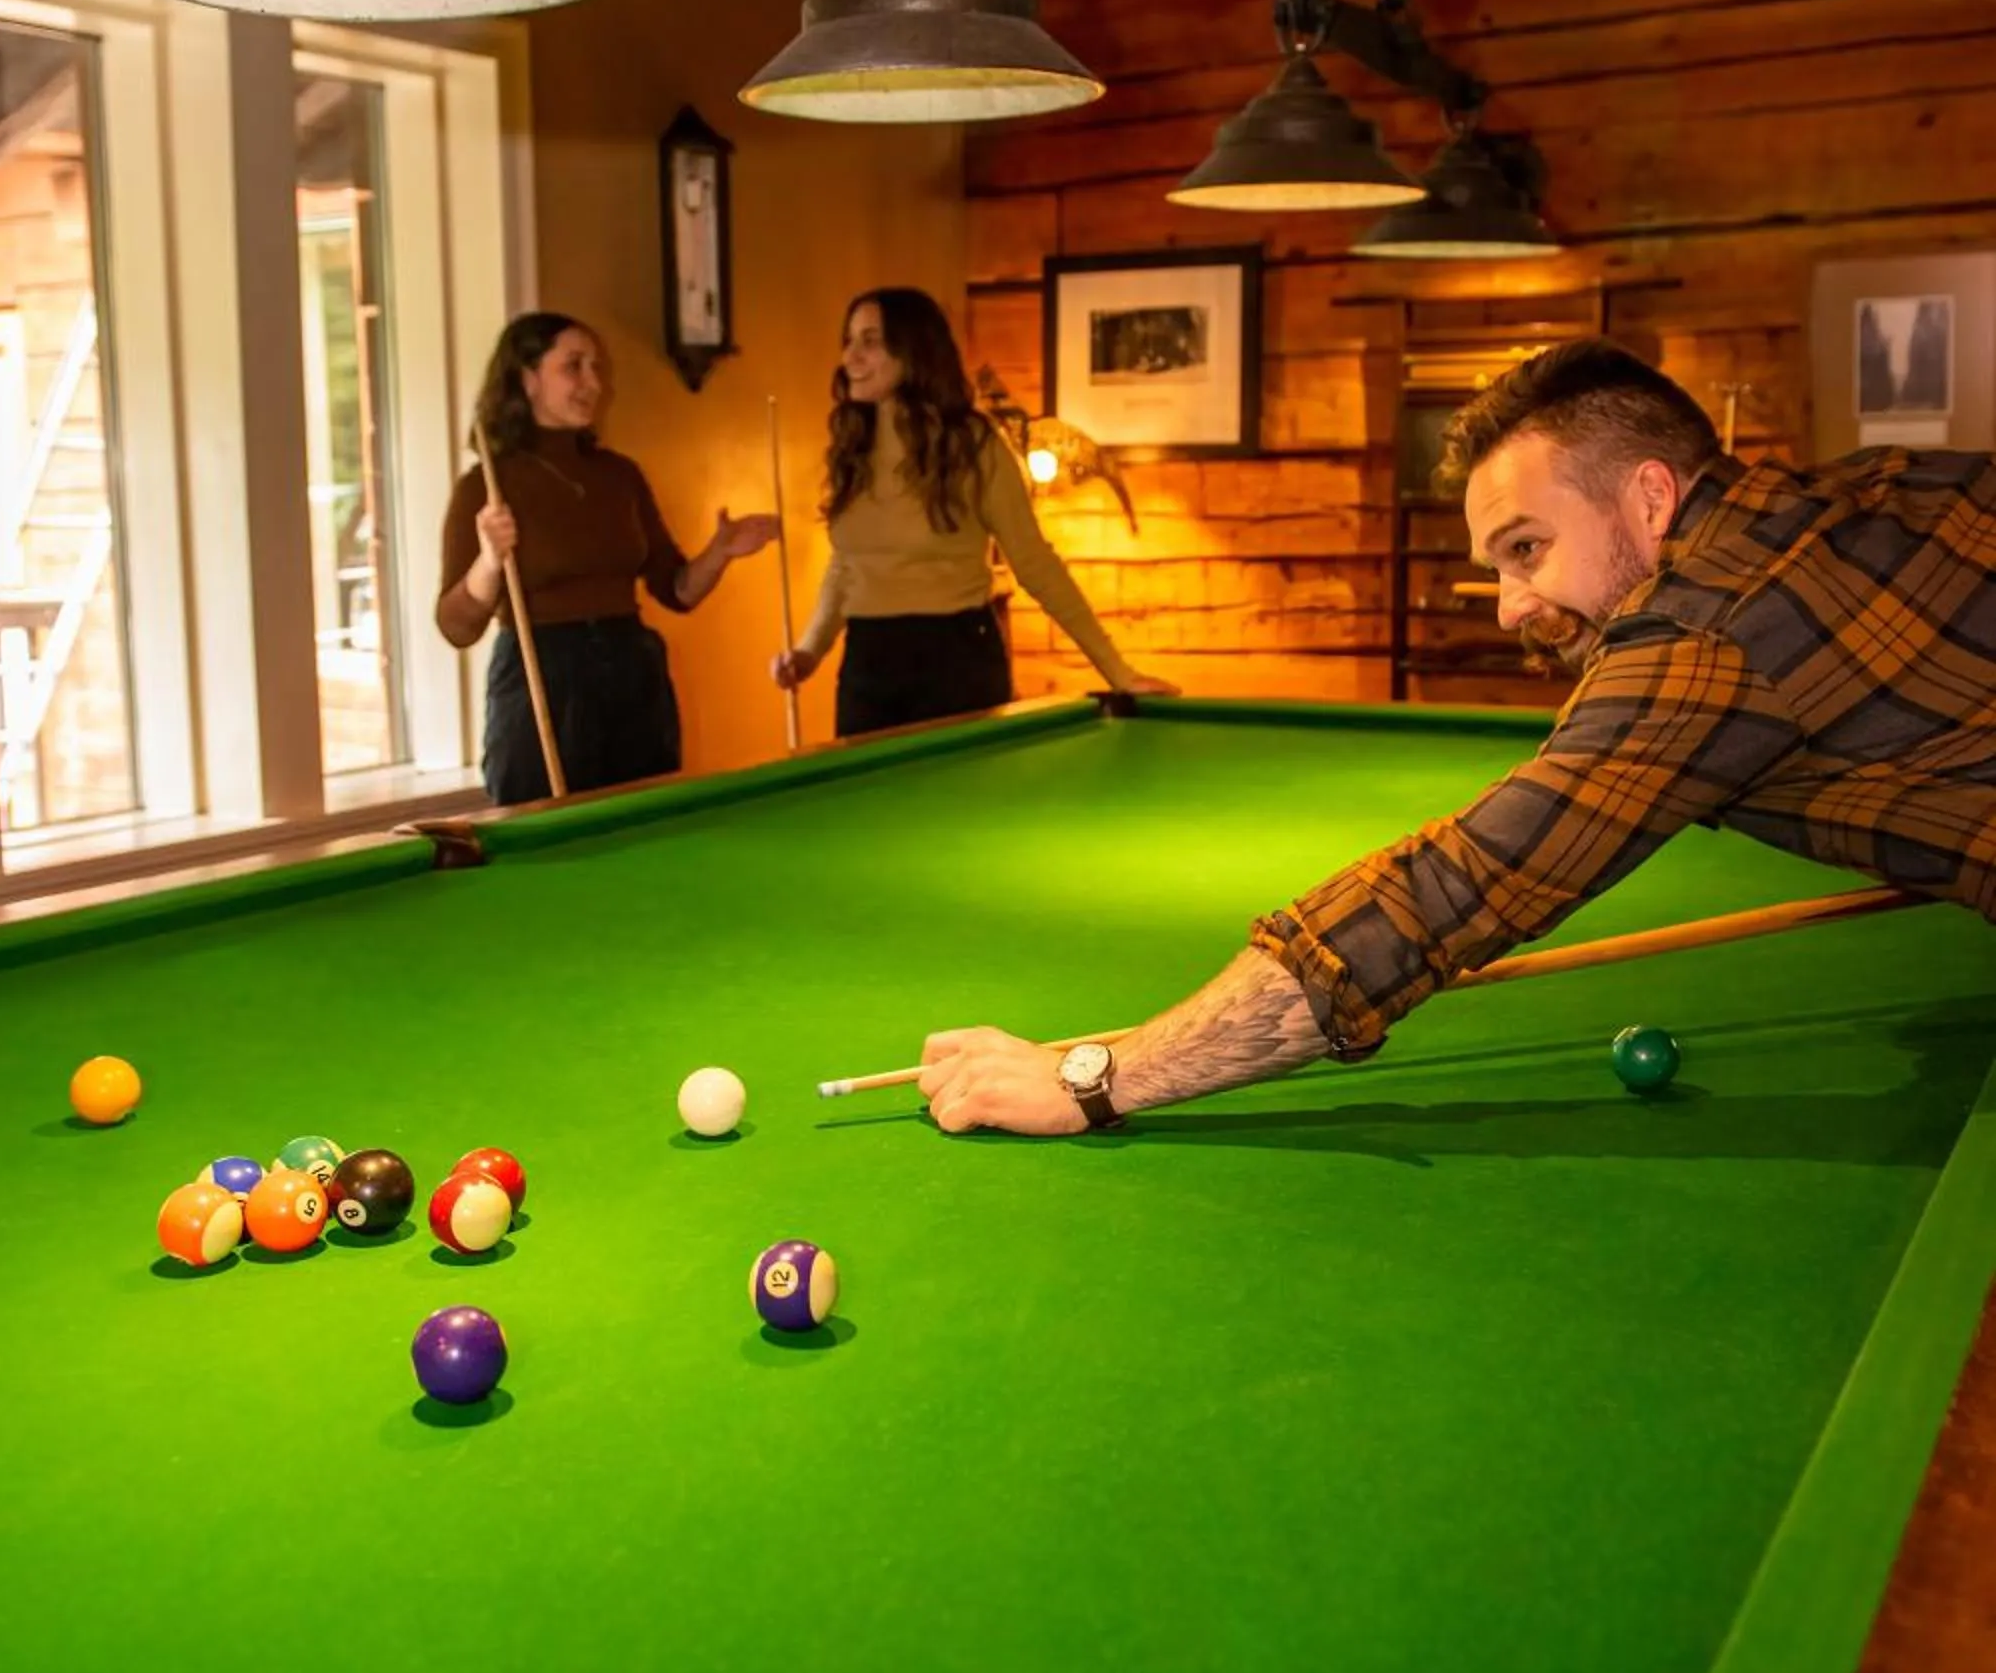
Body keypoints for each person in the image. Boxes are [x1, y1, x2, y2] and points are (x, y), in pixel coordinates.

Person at [917, 336, 1996, 1135]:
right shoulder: (1867, 489)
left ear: (1650, 498)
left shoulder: (1708, 633)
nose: (1510, 605)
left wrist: (1097, 1077)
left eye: (1526, 548)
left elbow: (1455, 889)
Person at [772, 287, 1175, 736]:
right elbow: (847, 566)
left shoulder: (972, 445)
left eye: (870, 341)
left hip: (955, 659)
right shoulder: (851, 445)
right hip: (868, 663)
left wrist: (1118, 673)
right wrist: (808, 651)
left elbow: (1035, 564)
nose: (850, 357)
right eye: (848, 341)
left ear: (913, 351)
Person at [437, 311, 776, 804]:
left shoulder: (620, 476)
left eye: (596, 367)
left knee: (646, 826)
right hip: (542, 679)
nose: (594, 383)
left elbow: (677, 591)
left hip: (631, 673)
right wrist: (488, 561)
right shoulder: (485, 486)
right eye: (573, 366)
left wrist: (720, 552)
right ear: (527, 379)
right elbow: (455, 627)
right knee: (546, 836)